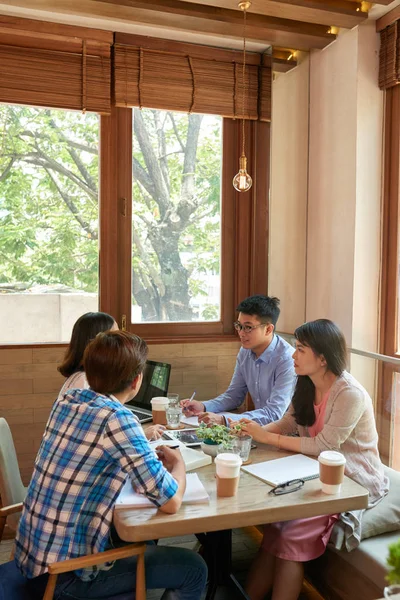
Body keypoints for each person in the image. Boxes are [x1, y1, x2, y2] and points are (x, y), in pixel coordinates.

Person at [15, 330, 207, 600]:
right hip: (63, 577)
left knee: (144, 537)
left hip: (31, 558)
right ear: (137, 380)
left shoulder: (68, 401)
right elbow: (171, 501)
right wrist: (179, 464)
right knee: (194, 569)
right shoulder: (117, 418)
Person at [235, 319, 388, 600]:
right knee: (275, 528)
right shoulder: (305, 383)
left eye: (301, 349)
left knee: (289, 532)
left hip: (351, 479)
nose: (293, 355)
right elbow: (287, 423)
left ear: (322, 358)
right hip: (313, 471)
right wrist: (250, 433)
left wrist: (267, 438)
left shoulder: (349, 394)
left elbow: (324, 445)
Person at [181, 295, 295, 425]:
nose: (241, 333)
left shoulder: (287, 359)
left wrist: (224, 420)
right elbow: (234, 396)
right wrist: (203, 406)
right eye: (239, 326)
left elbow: (274, 413)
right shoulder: (245, 351)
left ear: (268, 329)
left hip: (288, 433)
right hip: (262, 429)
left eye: (248, 327)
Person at [58, 311, 164, 441]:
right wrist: (139, 435)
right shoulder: (85, 382)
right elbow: (94, 436)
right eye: (115, 336)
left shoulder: (79, 379)